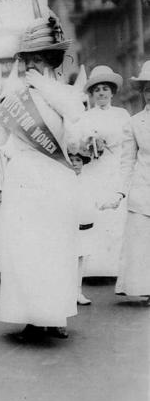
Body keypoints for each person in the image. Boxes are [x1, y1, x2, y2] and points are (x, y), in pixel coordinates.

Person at [0, 15, 87, 340]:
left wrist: (45, 86)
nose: (32, 66)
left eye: (40, 59)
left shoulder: (64, 94)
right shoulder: (14, 98)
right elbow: (2, 143)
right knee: (27, 248)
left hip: (55, 176)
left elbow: (76, 125)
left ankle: (56, 314)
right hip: (23, 177)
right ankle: (32, 317)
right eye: (29, 60)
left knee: (55, 248)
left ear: (52, 61)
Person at [76, 65, 132, 277]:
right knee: (95, 214)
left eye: (105, 89)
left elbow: (128, 144)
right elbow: (78, 144)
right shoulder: (85, 117)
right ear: (92, 93)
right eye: (97, 89)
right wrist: (88, 144)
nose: (101, 93)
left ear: (112, 92)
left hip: (115, 167)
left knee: (116, 217)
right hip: (94, 168)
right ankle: (93, 268)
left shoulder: (122, 114)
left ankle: (115, 267)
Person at [114, 61, 150, 304]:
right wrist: (120, 192)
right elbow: (127, 162)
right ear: (142, 92)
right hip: (143, 189)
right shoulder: (135, 123)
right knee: (142, 243)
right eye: (147, 89)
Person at [69, 153, 96, 305]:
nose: (74, 163)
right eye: (71, 160)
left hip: (82, 227)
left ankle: (77, 291)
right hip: (67, 227)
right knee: (67, 259)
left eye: (78, 160)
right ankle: (65, 292)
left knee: (80, 259)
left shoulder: (88, 181)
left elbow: (93, 200)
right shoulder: (63, 180)